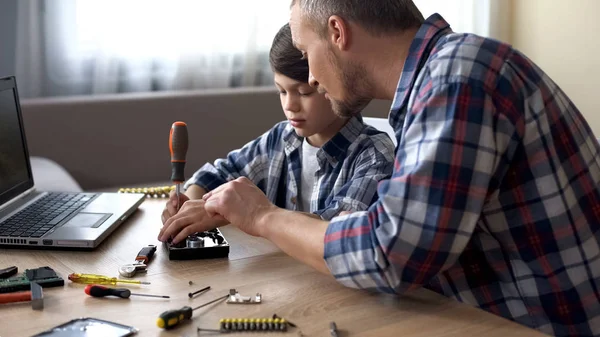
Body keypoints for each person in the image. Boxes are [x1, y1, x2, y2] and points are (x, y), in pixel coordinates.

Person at [196, 1, 600, 336]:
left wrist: (262, 215)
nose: (313, 77)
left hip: (541, 324)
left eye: (306, 54)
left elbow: (389, 255)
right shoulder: (447, 72)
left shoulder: (457, 81)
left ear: (338, 33)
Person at [158, 23, 395, 244]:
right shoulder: (282, 138)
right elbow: (216, 175)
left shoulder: (375, 157)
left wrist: (238, 213)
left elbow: (338, 233)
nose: (289, 105)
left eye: (303, 92)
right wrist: (192, 202)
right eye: (281, 91)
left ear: (337, 86)